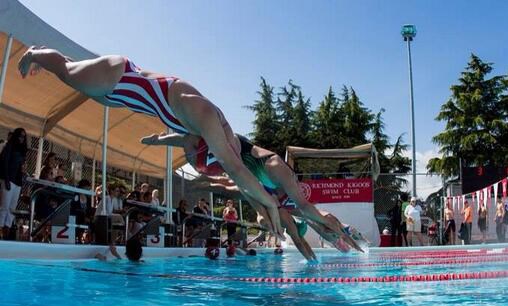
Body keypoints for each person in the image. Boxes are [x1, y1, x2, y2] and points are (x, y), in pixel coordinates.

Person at [18, 46, 283, 239]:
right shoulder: (205, 115)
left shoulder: (205, 132)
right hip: (118, 76)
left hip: (121, 95)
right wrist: (271, 202)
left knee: (74, 74)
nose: (189, 155)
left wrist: (261, 205)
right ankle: (34, 52)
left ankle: (47, 58)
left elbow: (236, 175)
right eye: (194, 156)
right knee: (66, 72)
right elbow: (236, 168)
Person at [141, 132, 362, 253]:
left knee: (309, 213)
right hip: (267, 184)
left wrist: (158, 141)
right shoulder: (240, 174)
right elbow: (229, 187)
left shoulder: (227, 143)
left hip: (269, 171)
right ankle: (342, 234)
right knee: (308, 216)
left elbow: (184, 140)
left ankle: (343, 233)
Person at [0, 128, 28, 239]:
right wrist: (6, 179)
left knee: (12, 208)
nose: (22, 138)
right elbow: (4, 163)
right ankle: (1, 228)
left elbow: (21, 166)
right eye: (20, 136)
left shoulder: (22, 150)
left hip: (17, 181)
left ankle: (7, 228)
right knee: (4, 206)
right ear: (16, 136)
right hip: (9, 179)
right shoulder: (9, 147)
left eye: (23, 137)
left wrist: (23, 172)